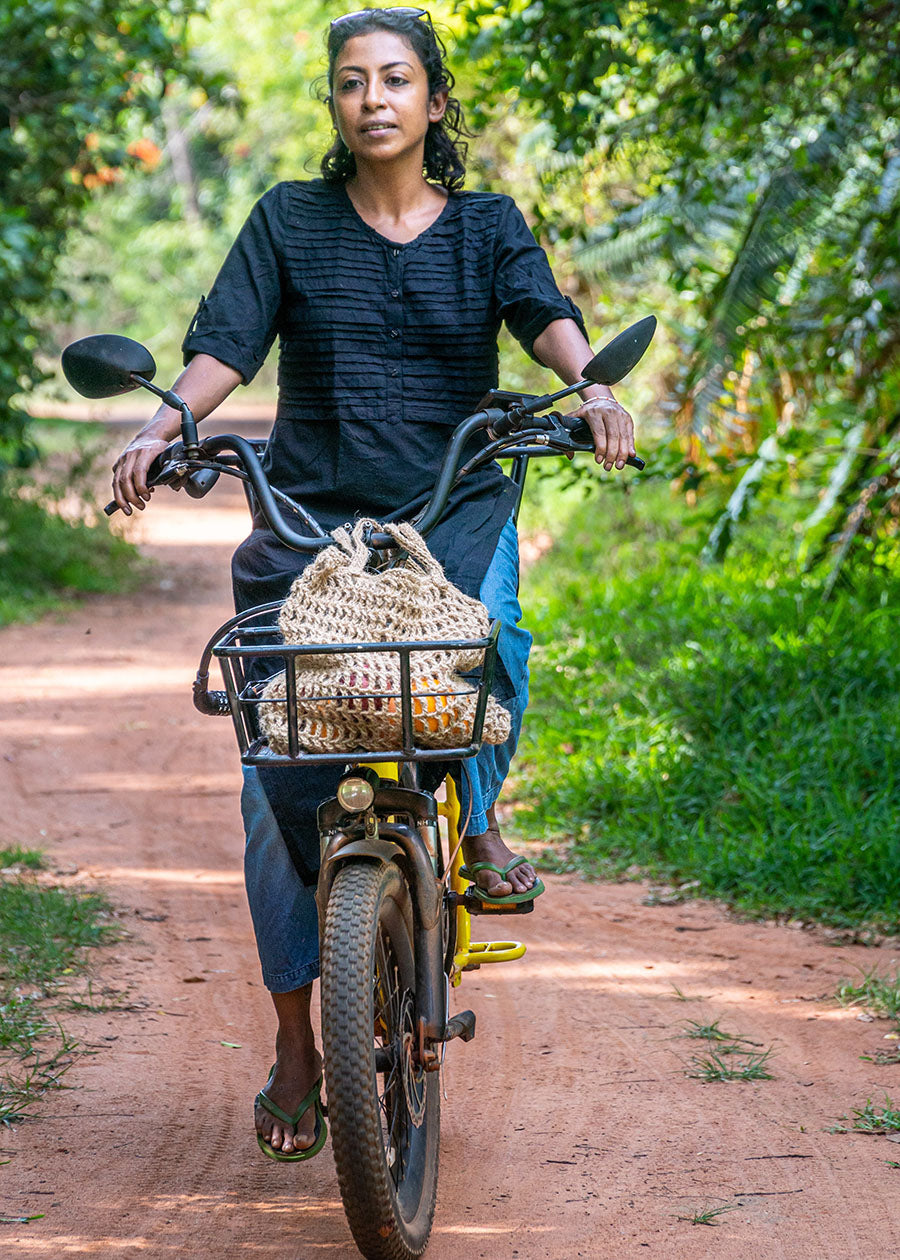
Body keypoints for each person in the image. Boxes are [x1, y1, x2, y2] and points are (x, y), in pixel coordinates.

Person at [111, 7, 635, 1161]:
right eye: (352, 82)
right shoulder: (288, 220)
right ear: (336, 105)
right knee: (271, 767)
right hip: (309, 520)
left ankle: (480, 816)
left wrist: (593, 387)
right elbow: (227, 343)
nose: (375, 98)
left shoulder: (490, 223)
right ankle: (300, 1039)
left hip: (454, 502)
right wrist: (165, 423)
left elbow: (546, 318)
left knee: (488, 635)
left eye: (398, 79)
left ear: (435, 102)